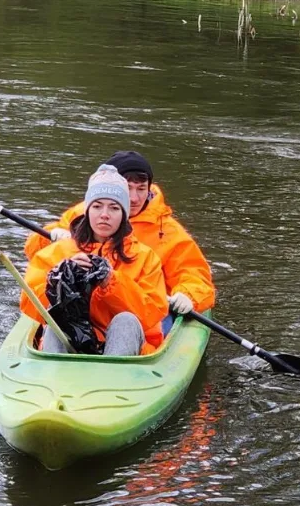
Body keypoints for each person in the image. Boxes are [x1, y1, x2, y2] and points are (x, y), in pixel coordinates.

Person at [25, 151, 215, 329]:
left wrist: (188, 294)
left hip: (142, 307)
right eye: (127, 188)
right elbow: (36, 255)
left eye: (141, 189)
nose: (134, 198)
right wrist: (50, 237)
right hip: (83, 305)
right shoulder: (82, 214)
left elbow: (193, 273)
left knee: (133, 324)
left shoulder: (168, 232)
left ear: (149, 189)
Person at [20, 164, 168, 356]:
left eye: (114, 208)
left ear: (124, 215)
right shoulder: (57, 252)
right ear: (87, 210)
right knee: (56, 315)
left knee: (126, 320)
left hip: (123, 348)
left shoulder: (145, 257)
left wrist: (111, 282)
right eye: (97, 206)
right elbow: (30, 306)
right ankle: (53, 374)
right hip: (68, 344)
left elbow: (152, 313)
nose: (104, 215)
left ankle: (111, 376)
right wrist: (61, 277)